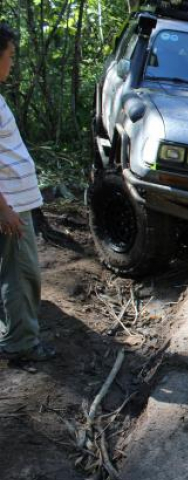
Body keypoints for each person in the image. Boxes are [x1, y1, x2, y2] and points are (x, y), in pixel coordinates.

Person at [0, 23, 53, 362]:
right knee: (22, 273)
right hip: (9, 206)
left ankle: (13, 330)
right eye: (10, 55)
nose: (12, 62)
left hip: (11, 202)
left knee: (11, 269)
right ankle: (21, 344)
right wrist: (4, 208)